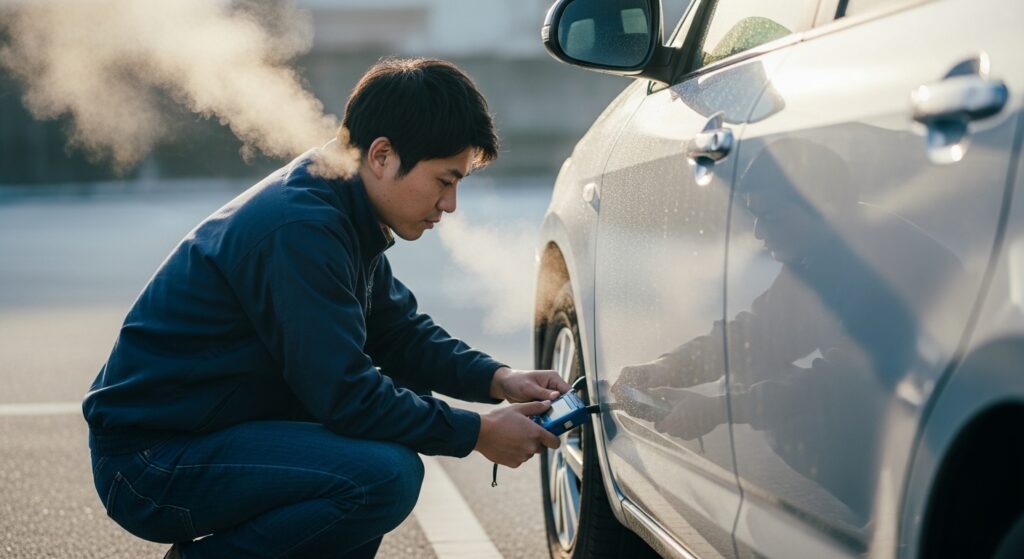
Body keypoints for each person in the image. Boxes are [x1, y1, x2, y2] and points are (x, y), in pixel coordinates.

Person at [83, 58, 568, 559]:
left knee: (379, 452)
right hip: (150, 463)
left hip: (202, 437)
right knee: (382, 475)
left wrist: (499, 378)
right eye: (445, 180)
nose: (450, 205)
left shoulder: (340, 205)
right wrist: (477, 433)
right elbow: (345, 395)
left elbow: (399, 332)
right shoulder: (302, 228)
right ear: (381, 156)